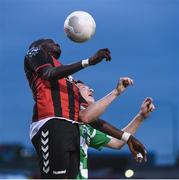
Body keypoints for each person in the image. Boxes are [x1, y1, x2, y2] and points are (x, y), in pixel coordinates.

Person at [24, 38, 148, 178]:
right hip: (51, 123)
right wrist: (88, 61)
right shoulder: (34, 52)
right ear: (39, 46)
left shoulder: (69, 80)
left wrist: (127, 137)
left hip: (71, 128)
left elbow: (87, 118)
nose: (56, 43)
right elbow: (48, 74)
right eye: (50, 41)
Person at [76, 81, 155, 179]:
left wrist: (141, 117)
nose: (91, 89)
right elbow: (85, 116)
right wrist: (116, 91)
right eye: (83, 87)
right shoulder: (67, 121)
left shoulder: (86, 128)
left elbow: (117, 142)